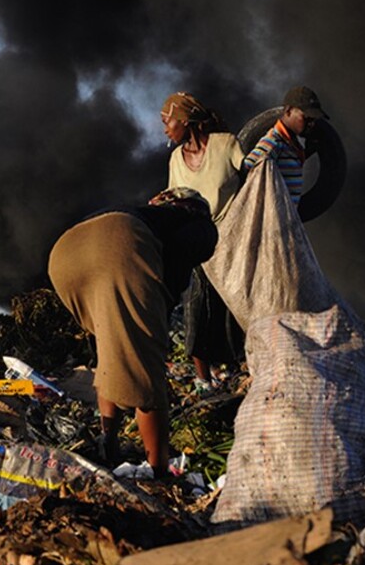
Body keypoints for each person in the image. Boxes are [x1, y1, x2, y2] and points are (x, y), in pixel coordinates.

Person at [48, 188, 217, 477]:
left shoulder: (142, 212)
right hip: (117, 246)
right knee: (145, 372)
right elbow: (178, 271)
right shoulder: (196, 220)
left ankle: (108, 442)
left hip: (65, 254)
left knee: (112, 351)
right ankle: (160, 472)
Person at [162, 92, 246, 387]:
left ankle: (236, 368)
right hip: (197, 242)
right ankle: (203, 380)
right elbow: (176, 198)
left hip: (233, 239)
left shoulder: (227, 144)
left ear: (185, 121)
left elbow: (254, 178)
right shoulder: (175, 159)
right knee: (196, 305)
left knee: (234, 306)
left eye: (167, 121)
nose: (164, 129)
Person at [242, 85, 329, 204]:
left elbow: (284, 169)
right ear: (288, 111)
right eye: (306, 118)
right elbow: (246, 171)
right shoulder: (273, 142)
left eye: (313, 120)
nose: (311, 124)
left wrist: (306, 153)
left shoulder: (289, 145)